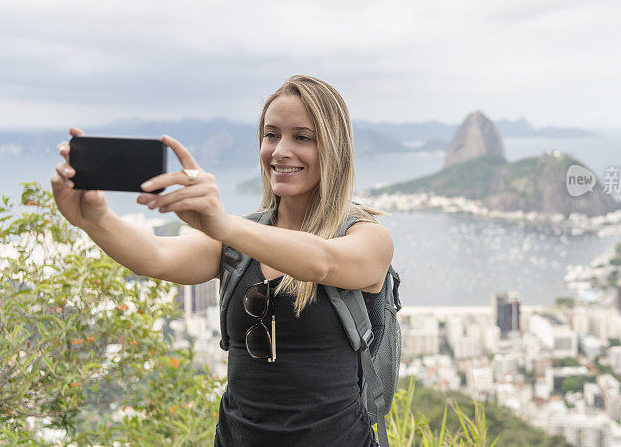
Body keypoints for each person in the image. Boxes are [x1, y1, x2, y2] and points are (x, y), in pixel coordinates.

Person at [51, 75, 394, 446]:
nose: (279, 150)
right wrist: (94, 219)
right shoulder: (237, 241)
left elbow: (322, 263)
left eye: (302, 137)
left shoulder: (366, 237)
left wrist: (224, 225)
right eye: (271, 134)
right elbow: (154, 256)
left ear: (334, 147)